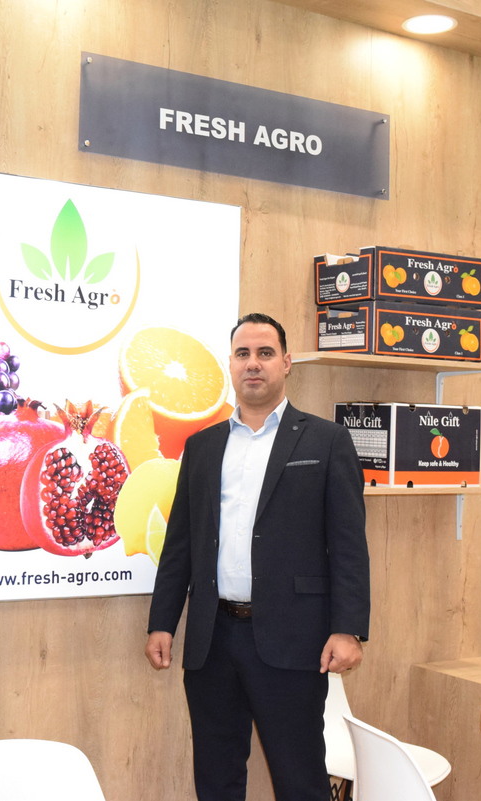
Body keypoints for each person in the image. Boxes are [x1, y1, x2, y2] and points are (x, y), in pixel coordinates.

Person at [145, 312, 370, 801]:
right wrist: (162, 622)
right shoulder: (202, 446)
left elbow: (349, 544)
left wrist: (348, 628)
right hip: (212, 639)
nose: (253, 363)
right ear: (230, 363)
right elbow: (181, 543)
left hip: (293, 639)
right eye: (243, 353)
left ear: (286, 363)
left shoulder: (327, 441)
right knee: (217, 778)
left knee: (300, 780)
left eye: (265, 353)